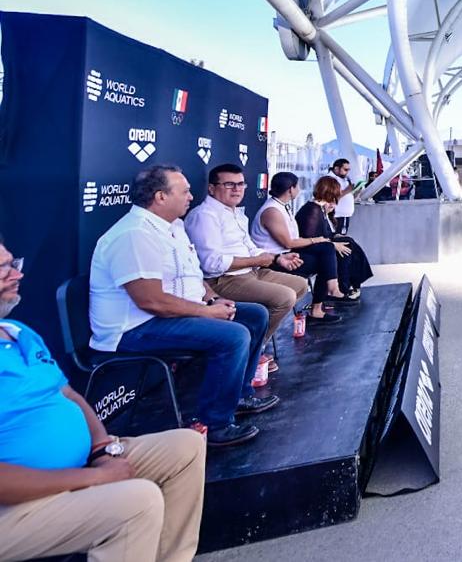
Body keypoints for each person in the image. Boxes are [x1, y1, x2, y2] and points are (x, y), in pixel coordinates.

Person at [0, 239, 207, 562]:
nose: (17, 275)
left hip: (80, 466)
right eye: (3, 270)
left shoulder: (16, 331)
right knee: (137, 502)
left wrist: (101, 449)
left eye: (13, 264)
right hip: (15, 507)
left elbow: (68, 395)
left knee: (185, 447)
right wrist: (95, 477)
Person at [89, 165, 274, 447]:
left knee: (255, 315)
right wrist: (208, 313)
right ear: (160, 196)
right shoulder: (135, 234)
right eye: (184, 191)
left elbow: (193, 277)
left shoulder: (174, 226)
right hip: (134, 329)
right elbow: (151, 301)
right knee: (234, 335)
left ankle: (238, 395)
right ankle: (216, 424)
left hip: (169, 315)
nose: (191, 196)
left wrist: (212, 299)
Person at [185, 164, 309, 351]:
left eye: (240, 184)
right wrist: (257, 261)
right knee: (285, 297)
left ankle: (255, 342)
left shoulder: (236, 213)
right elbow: (211, 264)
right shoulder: (205, 216)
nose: (237, 189)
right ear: (211, 188)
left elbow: (250, 247)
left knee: (300, 284)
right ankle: (251, 350)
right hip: (223, 280)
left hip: (251, 272)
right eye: (229, 184)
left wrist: (277, 258)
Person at [251, 172, 344, 326]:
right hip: (273, 261)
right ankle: (327, 295)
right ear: (291, 189)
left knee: (327, 251)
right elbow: (288, 243)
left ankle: (327, 296)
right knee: (325, 257)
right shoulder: (272, 211)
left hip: (286, 255)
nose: (300, 189)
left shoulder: (282, 206)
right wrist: (316, 240)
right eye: (298, 186)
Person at [295, 176, 372, 301]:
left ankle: (349, 284)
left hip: (318, 246)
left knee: (348, 242)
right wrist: (333, 244)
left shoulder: (319, 208)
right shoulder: (313, 210)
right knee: (344, 247)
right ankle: (345, 287)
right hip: (309, 250)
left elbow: (323, 234)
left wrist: (335, 238)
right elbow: (310, 238)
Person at [323, 159, 358, 234]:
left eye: (348, 170)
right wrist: (347, 190)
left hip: (345, 214)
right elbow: (331, 198)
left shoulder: (344, 178)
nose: (347, 172)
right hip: (337, 215)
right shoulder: (330, 179)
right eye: (345, 169)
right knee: (337, 237)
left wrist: (357, 191)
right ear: (336, 168)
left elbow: (348, 195)